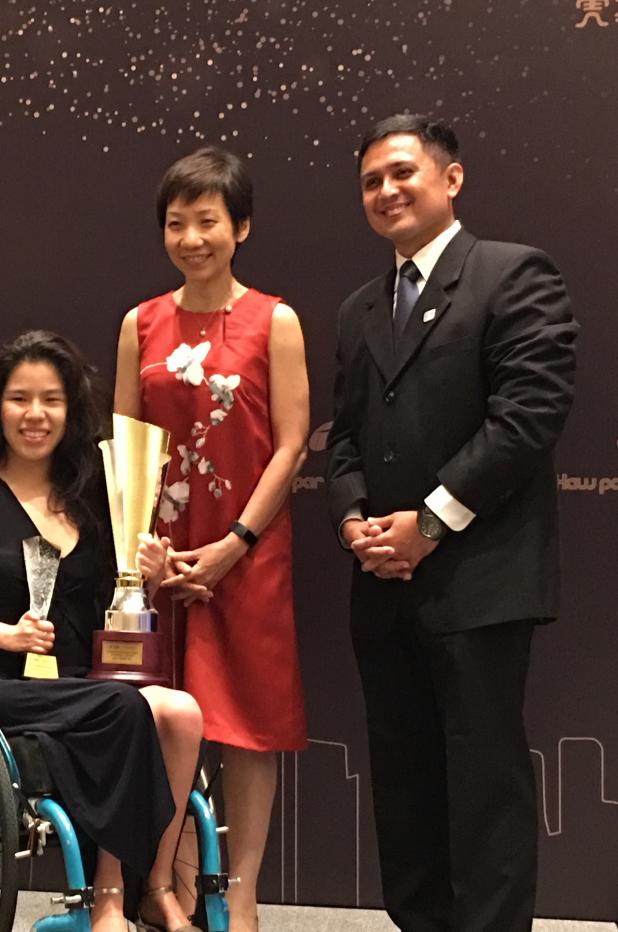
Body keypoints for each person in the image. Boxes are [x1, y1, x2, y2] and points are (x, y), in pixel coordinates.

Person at [325, 113, 579, 931]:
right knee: (404, 787)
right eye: (371, 181)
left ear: (451, 178)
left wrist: (429, 524)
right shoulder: (360, 306)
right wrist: (354, 520)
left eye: (402, 173)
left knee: (484, 789)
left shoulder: (513, 276)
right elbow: (346, 443)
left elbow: (528, 417)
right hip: (383, 588)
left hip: (481, 581)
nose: (387, 191)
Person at [0, 330, 206, 932]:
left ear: (72, 410)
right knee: (123, 708)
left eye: (51, 400)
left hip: (79, 679)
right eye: (19, 399)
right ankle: (110, 897)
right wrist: (3, 636)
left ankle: (161, 885)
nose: (35, 415)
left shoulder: (93, 495)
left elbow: (115, 597)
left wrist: (149, 571)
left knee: (184, 712)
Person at [113, 147, 309, 932]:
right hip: (162, 554)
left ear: (241, 226)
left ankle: (245, 888)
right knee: (168, 717)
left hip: (247, 552)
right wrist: (143, 556)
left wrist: (234, 543)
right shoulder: (141, 322)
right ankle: (182, 890)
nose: (191, 237)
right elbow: (126, 441)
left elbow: (292, 445)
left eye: (208, 220)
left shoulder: (275, 319)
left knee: (250, 726)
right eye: (176, 222)